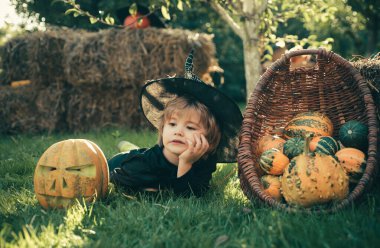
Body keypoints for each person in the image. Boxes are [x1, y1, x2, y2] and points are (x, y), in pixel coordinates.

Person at [108, 50, 243, 197]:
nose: (178, 131)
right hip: (118, 162)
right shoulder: (148, 163)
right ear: (163, 129)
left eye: (190, 127)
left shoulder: (205, 163)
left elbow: (192, 195)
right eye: (172, 124)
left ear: (209, 140)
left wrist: (185, 163)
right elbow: (118, 178)